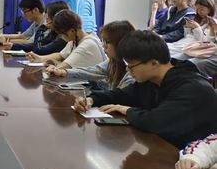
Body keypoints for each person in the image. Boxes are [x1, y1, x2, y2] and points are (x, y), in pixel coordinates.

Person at [73, 30, 217, 148]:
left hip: (196, 161)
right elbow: (121, 95)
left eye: (131, 66)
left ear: (154, 63)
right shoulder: (152, 80)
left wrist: (128, 110)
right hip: (169, 149)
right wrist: (91, 99)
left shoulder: (191, 89)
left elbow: (156, 122)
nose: (128, 70)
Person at [46, 20, 136, 91]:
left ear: (119, 44)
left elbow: (118, 98)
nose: (104, 47)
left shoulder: (131, 74)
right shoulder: (113, 62)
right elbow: (93, 70)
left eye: (107, 43)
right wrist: (63, 72)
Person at [26, 10, 105, 69]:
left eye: (61, 34)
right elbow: (61, 55)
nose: (60, 37)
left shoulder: (87, 44)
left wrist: (55, 64)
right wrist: (40, 58)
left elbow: (63, 67)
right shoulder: (75, 39)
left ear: (72, 31)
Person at [2, 0, 69, 54]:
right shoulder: (53, 32)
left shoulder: (62, 37)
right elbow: (34, 45)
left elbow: (38, 49)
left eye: (48, 15)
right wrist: (12, 46)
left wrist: (42, 28)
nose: (46, 18)